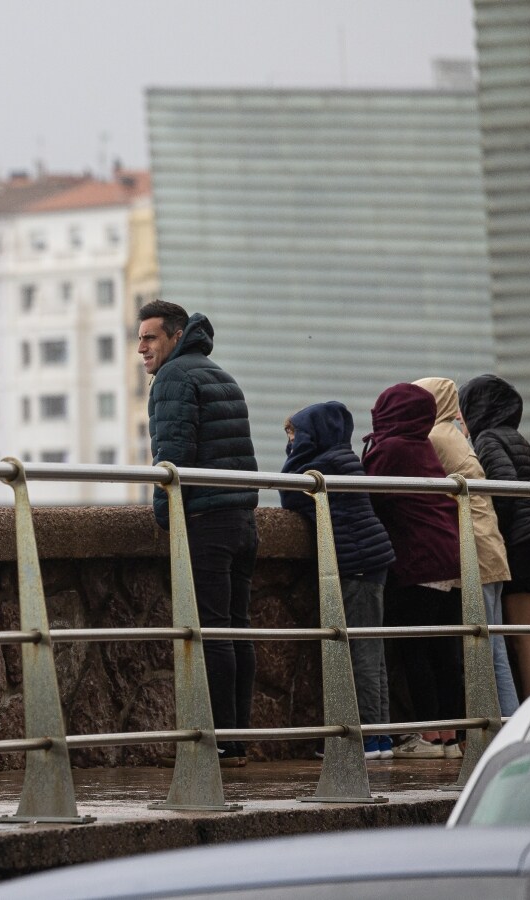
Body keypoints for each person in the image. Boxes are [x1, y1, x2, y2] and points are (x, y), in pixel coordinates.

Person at [138, 300, 259, 766]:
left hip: (207, 521)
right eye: (140, 338)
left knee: (213, 632)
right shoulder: (219, 373)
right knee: (237, 629)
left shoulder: (173, 378)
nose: (142, 347)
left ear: (174, 335)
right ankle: (236, 740)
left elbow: (173, 458)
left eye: (150, 337)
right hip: (242, 520)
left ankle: (221, 743)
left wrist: (168, 519)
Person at [280, 402, 397, 759]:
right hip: (372, 560)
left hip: (357, 562)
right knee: (371, 651)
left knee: (360, 651)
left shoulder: (322, 466)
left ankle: (366, 740)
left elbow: (289, 496)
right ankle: (380, 737)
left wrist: (295, 454)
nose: (291, 441)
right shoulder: (342, 458)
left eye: (294, 434)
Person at [362, 384, 465, 760]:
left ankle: (429, 736)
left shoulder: (391, 449)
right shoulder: (421, 446)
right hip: (450, 559)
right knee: (444, 653)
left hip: (419, 561)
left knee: (415, 648)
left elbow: (367, 495)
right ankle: (451, 737)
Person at [412, 377, 518, 718]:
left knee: (485, 646)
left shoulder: (435, 437)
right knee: (495, 643)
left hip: (476, 553)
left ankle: (503, 722)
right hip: (489, 546)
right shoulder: (454, 433)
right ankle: (509, 718)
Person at [460, 374, 530, 700]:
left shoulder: (487, 439)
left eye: (463, 408)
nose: (460, 417)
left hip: (522, 545)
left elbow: (503, 488)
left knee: (524, 636)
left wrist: (499, 531)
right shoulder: (516, 437)